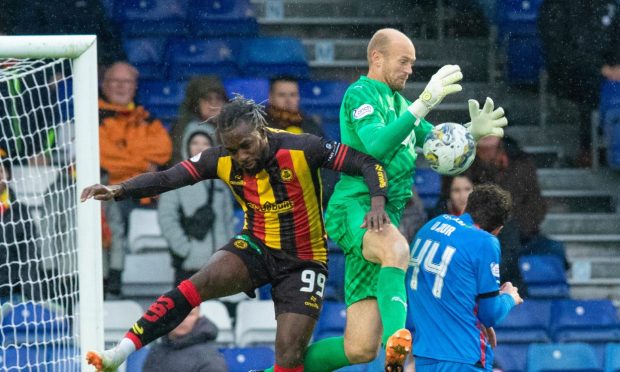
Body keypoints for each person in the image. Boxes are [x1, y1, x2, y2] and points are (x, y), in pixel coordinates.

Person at [82, 97, 390, 372]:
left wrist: (377, 202)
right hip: (255, 246)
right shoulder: (220, 159)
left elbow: (366, 162)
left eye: (246, 145)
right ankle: (118, 353)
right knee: (192, 287)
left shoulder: (301, 147)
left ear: (261, 129)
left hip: (304, 260)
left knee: (288, 354)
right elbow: (167, 178)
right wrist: (120, 189)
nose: (241, 156)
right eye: (232, 149)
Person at [293, 28, 508, 372]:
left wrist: (470, 133)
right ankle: (397, 348)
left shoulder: (400, 104)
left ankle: (279, 368)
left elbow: (436, 143)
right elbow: (375, 146)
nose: (410, 69)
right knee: (397, 251)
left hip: (384, 219)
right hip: (357, 207)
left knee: (360, 348)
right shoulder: (360, 94)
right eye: (403, 61)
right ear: (376, 58)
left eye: (413, 63)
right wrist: (424, 103)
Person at [406, 184, 523, 371]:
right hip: (463, 357)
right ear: (498, 229)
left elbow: (446, 287)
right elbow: (490, 314)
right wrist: (509, 297)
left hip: (424, 357)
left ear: (468, 206)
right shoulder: (485, 241)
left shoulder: (432, 225)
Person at [538, 0, 620, 166]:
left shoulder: (612, 5)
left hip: (611, 70)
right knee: (589, 83)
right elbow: (559, 50)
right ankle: (588, 149)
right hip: (568, 73)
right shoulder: (556, 5)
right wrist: (601, 68)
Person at [468, 136, 547, 291]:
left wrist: (513, 228)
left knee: (554, 250)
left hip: (521, 236)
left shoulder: (521, 163)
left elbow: (537, 206)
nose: (488, 135)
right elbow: (450, 199)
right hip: (478, 234)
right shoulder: (462, 161)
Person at [158, 126, 234, 285]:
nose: (200, 147)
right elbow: (167, 219)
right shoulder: (175, 179)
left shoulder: (221, 181)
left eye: (205, 143)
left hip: (219, 266)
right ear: (187, 145)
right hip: (189, 266)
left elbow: (227, 221)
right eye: (195, 142)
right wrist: (185, 250)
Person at [265, 75, 337, 207]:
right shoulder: (259, 128)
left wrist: (320, 196)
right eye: (282, 95)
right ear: (270, 97)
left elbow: (328, 165)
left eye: (293, 95)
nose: (288, 100)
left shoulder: (311, 127)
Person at [0, 154, 42, 304]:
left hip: (11, 293)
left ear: (8, 174)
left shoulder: (20, 211)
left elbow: (29, 256)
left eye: (0, 171)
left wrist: (33, 297)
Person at [142, 307, 228, 372]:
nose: (182, 319)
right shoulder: (156, 351)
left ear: (198, 317)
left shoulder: (210, 357)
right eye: (176, 313)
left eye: (189, 314)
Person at [170, 76, 228, 164]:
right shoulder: (182, 128)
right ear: (197, 102)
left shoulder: (232, 127)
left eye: (218, 98)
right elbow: (177, 161)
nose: (214, 103)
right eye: (208, 98)